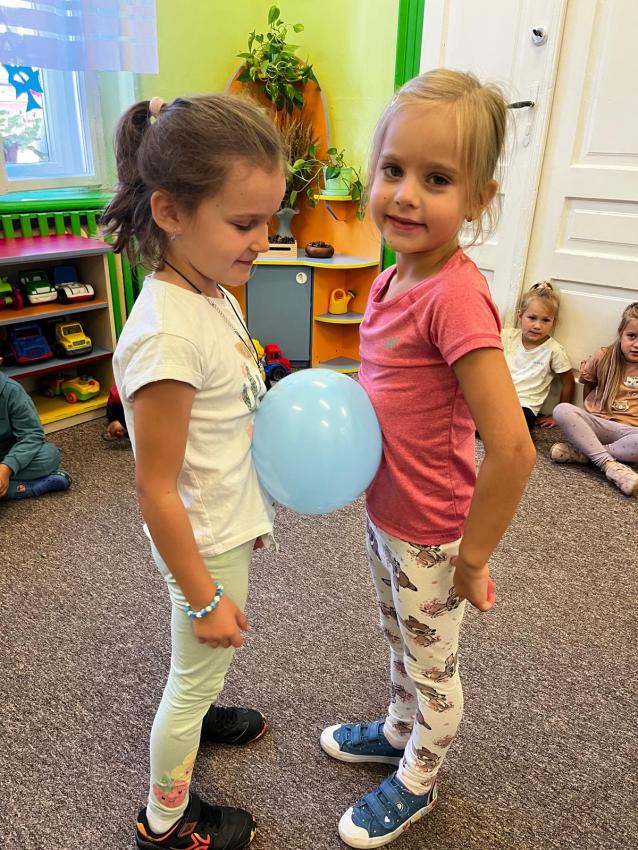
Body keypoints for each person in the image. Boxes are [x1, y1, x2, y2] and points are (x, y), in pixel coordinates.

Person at [319, 69, 536, 848]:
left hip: (434, 531)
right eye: (393, 170)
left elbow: (513, 448)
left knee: (434, 665)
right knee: (399, 638)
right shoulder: (388, 281)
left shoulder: (453, 295)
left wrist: (473, 557)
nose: (406, 195)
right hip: (386, 510)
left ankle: (419, 778)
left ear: (479, 199)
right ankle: (395, 729)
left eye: (437, 179)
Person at [102, 94, 286, 850]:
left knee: (199, 661)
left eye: (269, 220)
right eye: (244, 224)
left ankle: (204, 706)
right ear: (171, 212)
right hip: (199, 539)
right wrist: (206, 595)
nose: (263, 241)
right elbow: (154, 489)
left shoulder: (209, 288)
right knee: (193, 673)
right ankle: (166, 820)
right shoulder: (166, 339)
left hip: (219, 522)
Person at [551, 302, 638, 498]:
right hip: (598, 424)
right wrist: (589, 415)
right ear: (621, 333)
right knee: (562, 410)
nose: (637, 344)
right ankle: (608, 465)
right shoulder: (603, 356)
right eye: (632, 336)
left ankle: (586, 453)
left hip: (630, 432)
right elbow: (589, 385)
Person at [502, 280, 574, 430]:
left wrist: (559, 415)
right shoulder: (506, 336)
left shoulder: (554, 350)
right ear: (520, 315)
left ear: (554, 322)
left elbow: (568, 382)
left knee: (516, 428)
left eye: (545, 320)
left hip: (525, 405)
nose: (537, 326)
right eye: (532, 318)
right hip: (499, 396)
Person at [0, 369, 71, 500]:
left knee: (50, 455)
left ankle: (7, 485)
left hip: (10, 454)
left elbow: (32, 434)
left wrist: (7, 467)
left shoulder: (12, 390)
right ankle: (21, 489)